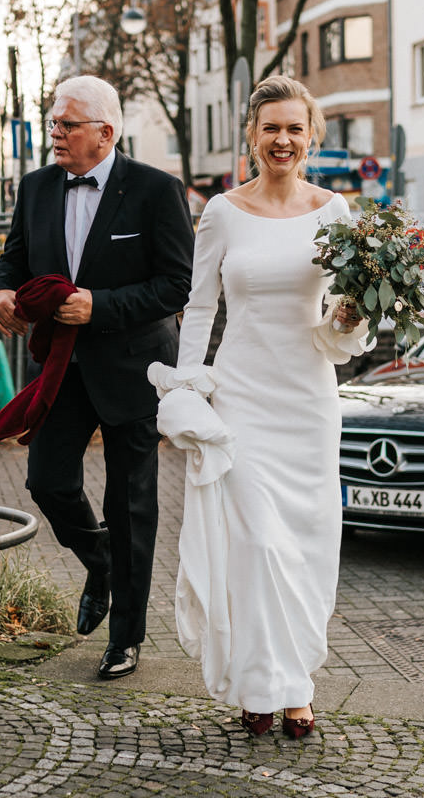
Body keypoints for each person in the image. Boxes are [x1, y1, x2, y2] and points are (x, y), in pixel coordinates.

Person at [151, 75, 372, 739]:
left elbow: (342, 331)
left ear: (312, 137)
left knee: (305, 544)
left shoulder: (335, 214)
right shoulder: (221, 212)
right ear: (252, 134)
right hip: (243, 396)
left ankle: (295, 686)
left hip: (308, 400)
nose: (283, 140)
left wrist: (352, 317)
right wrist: (188, 387)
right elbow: (201, 305)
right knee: (255, 545)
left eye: (294, 129)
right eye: (271, 127)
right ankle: (259, 682)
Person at [0, 75, 193, 680]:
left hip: (134, 368)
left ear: (104, 133)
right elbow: (13, 258)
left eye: (66, 124)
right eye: (53, 122)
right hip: (59, 366)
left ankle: (125, 637)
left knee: (130, 505)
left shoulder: (156, 191)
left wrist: (100, 305)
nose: (55, 132)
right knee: (47, 482)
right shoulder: (37, 187)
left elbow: (175, 285)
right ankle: (100, 560)